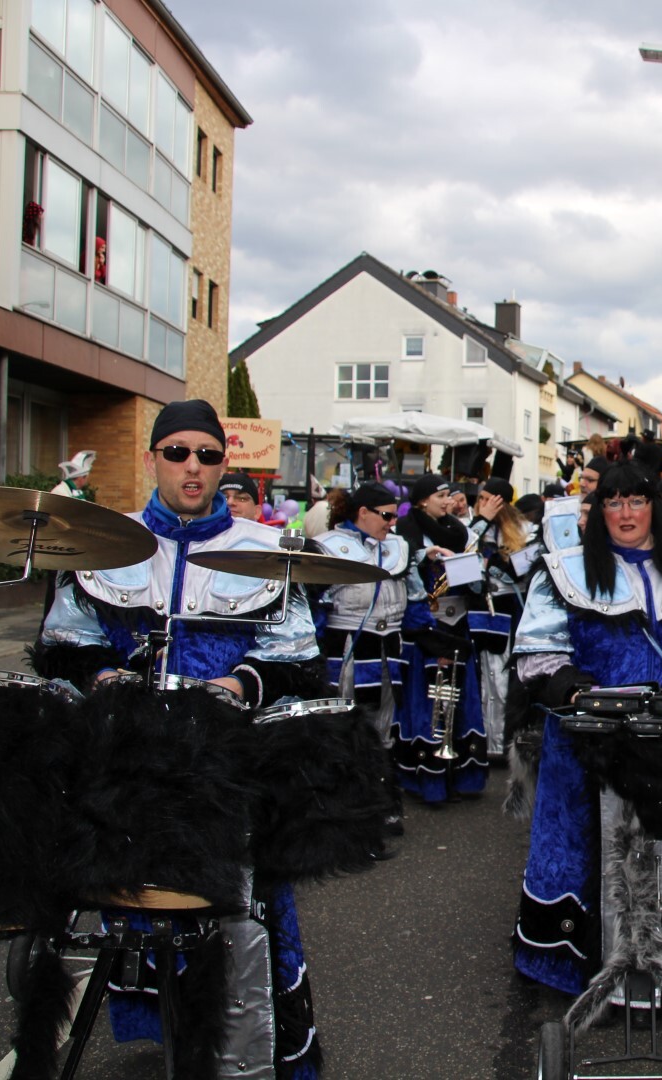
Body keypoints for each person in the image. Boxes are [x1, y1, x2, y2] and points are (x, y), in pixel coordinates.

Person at [35, 399, 326, 1078]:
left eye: (207, 455)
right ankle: (164, 1034)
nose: (192, 467)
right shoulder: (103, 545)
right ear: (151, 459)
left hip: (227, 775)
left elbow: (297, 658)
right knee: (128, 910)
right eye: (177, 453)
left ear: (224, 465)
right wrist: (102, 675)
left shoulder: (267, 550)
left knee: (241, 922)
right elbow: (63, 645)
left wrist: (240, 685)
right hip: (126, 771)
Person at [511, 463, 662, 1012]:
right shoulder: (563, 570)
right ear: (599, 512)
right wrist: (578, 692)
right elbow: (537, 652)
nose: (625, 513)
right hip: (585, 744)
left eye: (636, 501)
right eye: (613, 502)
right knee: (582, 850)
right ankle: (575, 967)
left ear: (655, 509)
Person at [315, 482, 464, 821]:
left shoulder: (399, 547)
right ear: (362, 513)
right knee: (345, 722)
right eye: (386, 516)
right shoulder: (329, 546)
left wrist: (433, 641)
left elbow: (416, 600)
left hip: (389, 647)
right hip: (348, 646)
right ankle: (343, 805)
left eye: (395, 516)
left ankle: (380, 800)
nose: (392, 523)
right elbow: (316, 607)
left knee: (384, 725)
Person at [395, 473, 483, 800]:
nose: (448, 502)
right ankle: (427, 780)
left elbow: (476, 583)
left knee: (458, 699)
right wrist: (426, 559)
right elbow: (405, 576)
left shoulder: (459, 531)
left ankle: (459, 777)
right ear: (422, 501)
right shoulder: (406, 532)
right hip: (426, 628)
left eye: (448, 495)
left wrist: (468, 568)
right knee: (429, 701)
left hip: (457, 622)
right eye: (441, 496)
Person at [464, 478, 541, 762]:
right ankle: (484, 739)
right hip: (480, 609)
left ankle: (500, 742)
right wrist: (481, 521)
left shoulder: (525, 530)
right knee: (484, 675)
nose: (483, 503)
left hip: (511, 610)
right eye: (481, 498)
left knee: (504, 676)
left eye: (490, 499)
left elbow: (525, 569)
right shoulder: (473, 527)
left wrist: (498, 562)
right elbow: (461, 553)